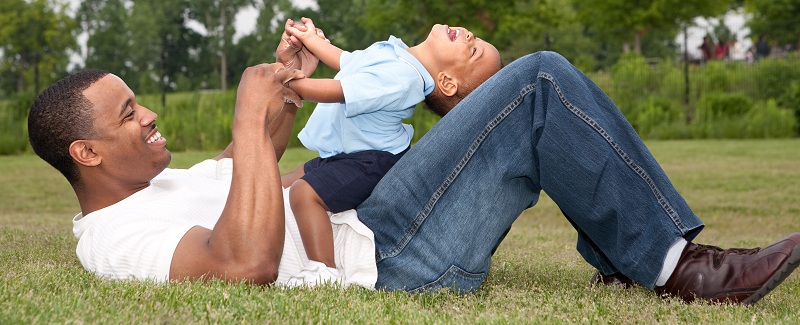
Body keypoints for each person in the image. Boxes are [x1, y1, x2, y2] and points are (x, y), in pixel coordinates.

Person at [27, 24, 799, 305]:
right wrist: (244, 117)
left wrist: (285, 83)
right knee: (536, 82)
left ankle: (632, 258)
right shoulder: (113, 239)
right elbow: (240, 266)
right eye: (127, 114)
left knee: (534, 85)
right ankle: (678, 269)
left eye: (139, 103)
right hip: (389, 258)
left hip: (374, 218)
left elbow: (247, 165)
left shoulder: (164, 181)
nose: (148, 115)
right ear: (85, 153)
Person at [278, 17, 503, 285]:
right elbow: (348, 61)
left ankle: (323, 271)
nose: (470, 36)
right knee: (281, 183)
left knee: (303, 194)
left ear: (447, 82)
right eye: (476, 37)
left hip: (369, 162)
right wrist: (311, 40)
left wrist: (288, 83)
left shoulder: (403, 79)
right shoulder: (398, 55)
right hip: (348, 154)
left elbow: (337, 90)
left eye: (474, 50)